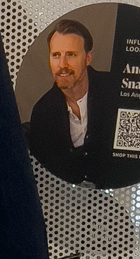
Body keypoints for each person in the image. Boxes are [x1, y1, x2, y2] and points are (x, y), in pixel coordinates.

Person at [27, 18, 114, 183]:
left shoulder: (115, 91)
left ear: (88, 58)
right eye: (56, 55)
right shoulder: (42, 111)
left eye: (71, 55)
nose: (62, 64)